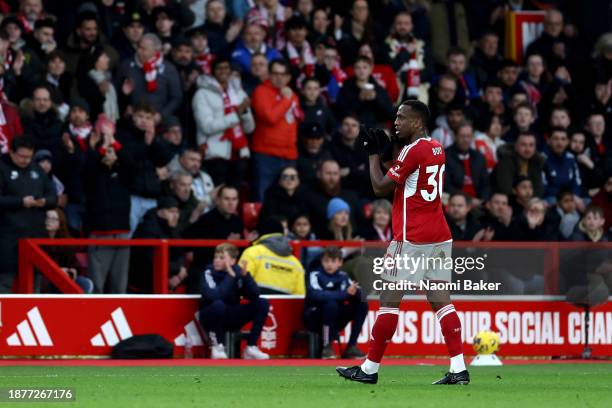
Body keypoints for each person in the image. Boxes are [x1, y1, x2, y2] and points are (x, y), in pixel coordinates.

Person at [336, 100, 469, 385]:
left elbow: (380, 187)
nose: (396, 122)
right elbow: (408, 178)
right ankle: (458, 367)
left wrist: (373, 155)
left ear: (417, 122)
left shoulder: (412, 150)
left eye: (402, 117)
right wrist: (387, 155)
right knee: (441, 301)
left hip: (412, 237)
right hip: (439, 235)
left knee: (388, 302)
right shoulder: (436, 147)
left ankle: (369, 369)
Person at [0, 136, 57, 292]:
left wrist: (45, 201)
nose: (26, 160)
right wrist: (20, 202)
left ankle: (32, 314)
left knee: (34, 283)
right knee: (5, 283)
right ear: (11, 152)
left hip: (35, 236)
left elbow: (53, 194)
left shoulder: (36, 169)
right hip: (8, 238)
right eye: (22, 156)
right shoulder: (2, 168)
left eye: (29, 157)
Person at [84, 115, 133, 294]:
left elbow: (130, 165)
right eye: (106, 151)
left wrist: (114, 143)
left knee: (120, 285)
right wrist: (102, 147)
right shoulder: (94, 171)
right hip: (99, 233)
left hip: (121, 232)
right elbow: (88, 168)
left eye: (112, 151)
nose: (109, 153)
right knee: (96, 285)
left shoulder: (123, 173)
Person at [199, 243, 270, 360]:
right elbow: (215, 296)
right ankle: (218, 346)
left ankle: (251, 347)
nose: (216, 260)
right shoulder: (208, 272)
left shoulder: (238, 271)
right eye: (215, 257)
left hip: (232, 314)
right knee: (218, 305)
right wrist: (231, 277)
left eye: (221, 258)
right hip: (210, 315)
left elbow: (254, 295)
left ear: (232, 261)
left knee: (262, 303)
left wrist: (246, 277)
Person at [192, 57, 254, 187]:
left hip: (239, 152)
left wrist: (245, 113)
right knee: (217, 196)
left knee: (234, 196)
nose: (223, 71)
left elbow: (249, 128)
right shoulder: (202, 94)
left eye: (226, 68)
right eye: (219, 68)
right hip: (215, 154)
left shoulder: (238, 92)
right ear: (212, 71)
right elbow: (207, 127)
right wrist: (236, 115)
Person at [251, 59, 302, 201]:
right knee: (263, 196)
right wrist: (286, 100)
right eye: (275, 73)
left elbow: (295, 120)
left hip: (289, 155)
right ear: (269, 74)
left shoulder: (293, 95)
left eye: (283, 74)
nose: (279, 77)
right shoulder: (260, 91)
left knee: (288, 198)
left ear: (289, 77)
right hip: (266, 155)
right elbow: (270, 118)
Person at [303, 246, 367, 359]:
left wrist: (356, 291)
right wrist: (345, 293)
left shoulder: (343, 276)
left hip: (336, 318)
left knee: (362, 304)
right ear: (321, 261)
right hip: (314, 317)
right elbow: (315, 295)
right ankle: (327, 347)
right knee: (330, 304)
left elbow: (355, 293)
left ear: (340, 262)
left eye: (333, 261)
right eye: (326, 261)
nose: (329, 264)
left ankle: (351, 346)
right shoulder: (315, 275)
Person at [184, 185, 244, 292]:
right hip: (205, 273)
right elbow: (199, 255)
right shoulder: (205, 220)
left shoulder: (238, 222)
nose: (231, 203)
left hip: (227, 273)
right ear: (218, 200)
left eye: (234, 199)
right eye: (226, 199)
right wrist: (227, 245)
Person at [116, 33, 183, 124]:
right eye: (139, 47)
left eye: (144, 49)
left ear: (156, 51)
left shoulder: (168, 69)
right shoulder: (126, 66)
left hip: (159, 124)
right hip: (132, 123)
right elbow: (115, 94)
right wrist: (124, 99)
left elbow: (176, 98)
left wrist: (161, 115)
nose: (139, 51)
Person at [130, 196, 184, 293]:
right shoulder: (148, 227)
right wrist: (176, 271)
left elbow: (180, 253)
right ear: (160, 212)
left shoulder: (174, 227)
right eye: (171, 212)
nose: (175, 216)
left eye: (177, 212)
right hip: (144, 278)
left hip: (168, 273)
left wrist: (178, 273)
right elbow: (150, 260)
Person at [238, 218, 305, 295]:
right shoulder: (296, 263)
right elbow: (300, 296)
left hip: (256, 306)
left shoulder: (252, 252)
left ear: (261, 233)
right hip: (285, 307)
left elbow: (240, 282)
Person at [44, 208, 94, 293]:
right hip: (47, 278)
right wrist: (58, 270)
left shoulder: (67, 241)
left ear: (61, 223)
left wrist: (73, 270)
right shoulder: (39, 239)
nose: (49, 221)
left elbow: (73, 262)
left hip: (65, 277)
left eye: (53, 219)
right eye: (47, 217)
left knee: (84, 283)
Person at [444, 122, 490, 206]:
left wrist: (483, 201)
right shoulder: (445, 156)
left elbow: (486, 184)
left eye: (468, 136)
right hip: (454, 202)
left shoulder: (479, 157)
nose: (465, 140)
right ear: (455, 136)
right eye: (462, 136)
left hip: (478, 202)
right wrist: (468, 200)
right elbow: (446, 185)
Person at [493, 132, 545, 198]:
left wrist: (533, 201)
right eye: (523, 145)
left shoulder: (536, 162)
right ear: (516, 146)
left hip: (528, 202)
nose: (527, 149)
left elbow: (538, 189)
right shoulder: (506, 161)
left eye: (531, 145)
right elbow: (505, 190)